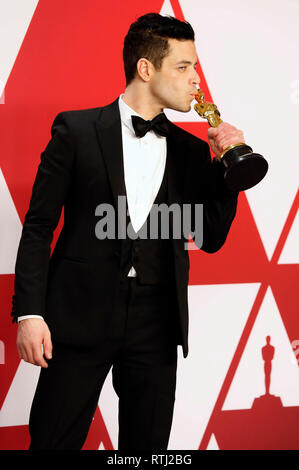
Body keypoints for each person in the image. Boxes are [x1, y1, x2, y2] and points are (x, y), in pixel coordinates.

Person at [11, 13, 244, 450]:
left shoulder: (193, 152)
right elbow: (39, 227)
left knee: (147, 450)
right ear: (145, 68)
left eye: (196, 67)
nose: (197, 80)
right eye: (184, 66)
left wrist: (227, 170)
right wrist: (30, 313)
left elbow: (211, 238)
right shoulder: (76, 131)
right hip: (78, 315)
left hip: (156, 324)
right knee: (52, 441)